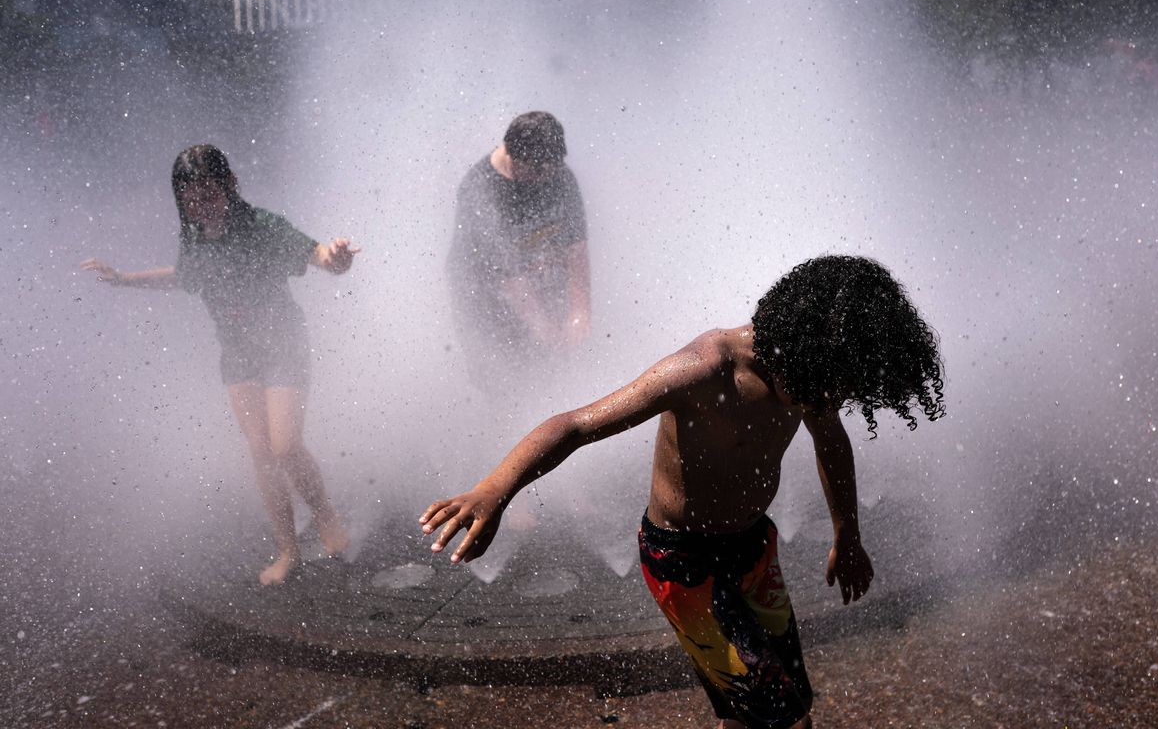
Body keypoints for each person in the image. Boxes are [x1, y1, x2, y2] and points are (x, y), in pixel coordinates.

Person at [420, 255, 945, 729]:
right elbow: (576, 425)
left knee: (774, 705)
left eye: (838, 392)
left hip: (752, 550)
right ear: (797, 347)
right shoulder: (703, 370)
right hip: (684, 565)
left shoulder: (810, 372)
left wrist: (846, 533)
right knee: (778, 711)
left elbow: (832, 445)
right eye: (826, 390)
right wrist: (495, 488)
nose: (827, 402)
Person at [81, 144, 358, 586]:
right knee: (262, 454)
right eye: (190, 200)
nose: (202, 207)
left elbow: (318, 255)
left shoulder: (262, 227)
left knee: (285, 445)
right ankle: (288, 550)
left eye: (209, 195)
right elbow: (183, 276)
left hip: (283, 343)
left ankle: (325, 513)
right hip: (238, 354)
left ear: (230, 185)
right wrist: (124, 280)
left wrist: (337, 258)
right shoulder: (193, 237)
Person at [446, 111, 591, 383]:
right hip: (482, 296)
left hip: (534, 276)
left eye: (552, 169)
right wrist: (545, 331)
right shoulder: (481, 192)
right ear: (512, 155)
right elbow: (509, 276)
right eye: (538, 171)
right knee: (505, 377)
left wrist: (579, 313)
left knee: (556, 369)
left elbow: (576, 244)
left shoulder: (557, 174)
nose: (546, 178)